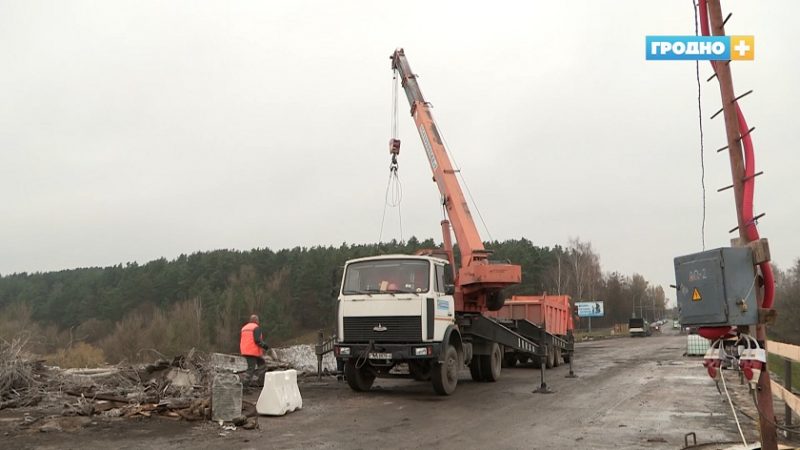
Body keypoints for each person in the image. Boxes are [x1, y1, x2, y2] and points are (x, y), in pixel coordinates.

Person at [240, 314, 273, 386]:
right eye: (258, 320)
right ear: (256, 321)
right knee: (251, 369)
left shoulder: (244, 328)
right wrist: (266, 347)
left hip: (245, 350)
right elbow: (257, 340)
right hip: (252, 351)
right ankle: (244, 386)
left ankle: (261, 383)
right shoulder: (256, 328)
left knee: (262, 365)